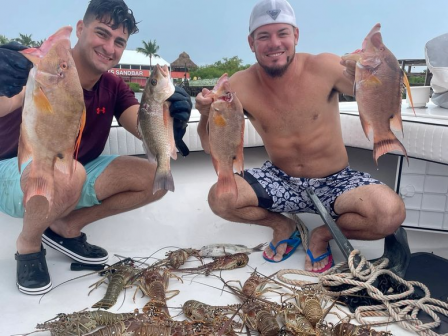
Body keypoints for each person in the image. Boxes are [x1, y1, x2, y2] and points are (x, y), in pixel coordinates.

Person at [195, 0, 405, 272]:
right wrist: (203, 114)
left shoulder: (326, 66)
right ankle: (284, 226)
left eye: (282, 33)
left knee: (390, 213)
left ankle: (321, 235)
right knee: (220, 199)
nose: (274, 43)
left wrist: (369, 73)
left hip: (336, 179)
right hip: (280, 178)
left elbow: (380, 91)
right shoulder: (237, 85)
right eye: (264, 36)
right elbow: (210, 144)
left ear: (295, 35)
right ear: (251, 43)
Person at [0, 0, 192, 295]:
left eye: (119, 42)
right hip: (17, 169)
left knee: (156, 180)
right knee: (69, 174)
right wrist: (3, 84)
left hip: (74, 169)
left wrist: (169, 120)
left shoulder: (114, 86)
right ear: (80, 28)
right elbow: (6, 104)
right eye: (102, 33)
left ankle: (65, 227)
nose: (109, 47)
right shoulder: (43, 69)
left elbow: (141, 127)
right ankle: (28, 244)